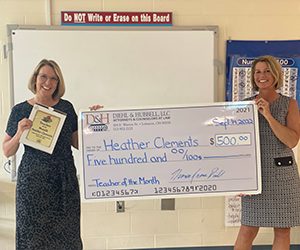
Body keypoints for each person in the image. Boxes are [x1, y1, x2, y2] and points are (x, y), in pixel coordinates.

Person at [3, 59, 102, 249]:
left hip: (63, 182)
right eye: (43, 77)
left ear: (58, 83)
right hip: (32, 184)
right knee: (32, 240)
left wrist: (92, 122)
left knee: (67, 238)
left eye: (54, 79)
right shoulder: (20, 110)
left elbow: (78, 143)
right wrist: (18, 134)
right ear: (35, 78)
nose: (48, 83)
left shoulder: (66, 108)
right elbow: (7, 150)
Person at [234, 55, 300, 250]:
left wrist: (268, 116)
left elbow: (292, 141)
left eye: (267, 70)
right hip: (254, 176)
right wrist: (238, 179)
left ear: (276, 74)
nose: (262, 75)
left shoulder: (289, 104)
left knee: (282, 230)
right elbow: (237, 146)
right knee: (247, 229)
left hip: (283, 176)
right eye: (257, 71)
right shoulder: (245, 106)